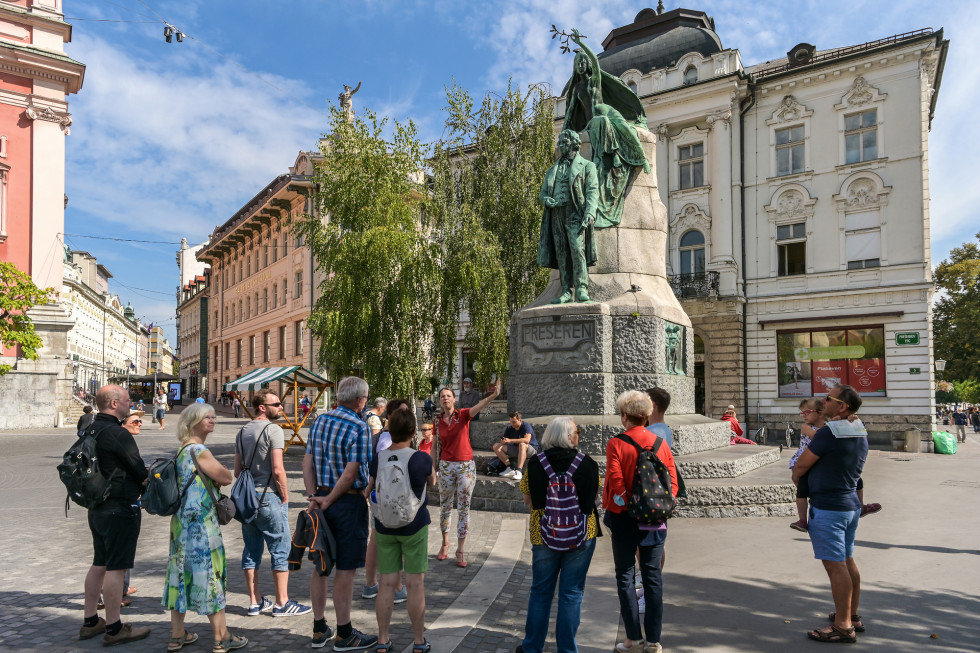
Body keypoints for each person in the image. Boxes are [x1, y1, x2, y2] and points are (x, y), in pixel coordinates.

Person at [164, 403, 247, 653]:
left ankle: (177, 636)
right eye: (206, 417)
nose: (212, 420)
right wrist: (219, 469)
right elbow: (225, 477)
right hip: (201, 523)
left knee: (179, 574)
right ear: (194, 421)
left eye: (213, 417)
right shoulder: (199, 450)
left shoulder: (182, 450)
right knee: (211, 576)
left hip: (181, 524)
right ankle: (222, 637)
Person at [304, 376, 378, 650]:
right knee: (346, 569)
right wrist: (329, 499)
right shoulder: (359, 427)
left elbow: (307, 462)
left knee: (321, 565)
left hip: (321, 497)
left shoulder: (320, 420)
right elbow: (350, 474)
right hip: (346, 503)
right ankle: (344, 633)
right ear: (360, 400)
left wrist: (315, 497)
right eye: (366, 397)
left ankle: (318, 627)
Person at [792, 384, 868, 643]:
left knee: (836, 567)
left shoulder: (828, 433)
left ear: (842, 406)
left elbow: (802, 465)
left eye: (828, 398)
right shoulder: (858, 428)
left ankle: (843, 626)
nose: (823, 401)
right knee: (847, 560)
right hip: (850, 505)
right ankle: (852, 615)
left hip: (829, 508)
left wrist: (798, 477)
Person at [517, 417, 600, 653]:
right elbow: (594, 499)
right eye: (577, 431)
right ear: (568, 436)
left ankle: (532, 647)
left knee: (541, 591)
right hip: (582, 534)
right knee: (572, 593)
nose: (579, 434)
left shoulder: (535, 463)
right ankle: (567, 649)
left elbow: (528, 499)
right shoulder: (588, 464)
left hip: (543, 534)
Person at [604, 391, 678, 653]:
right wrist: (656, 507)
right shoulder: (660, 443)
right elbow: (673, 482)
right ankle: (654, 642)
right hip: (655, 519)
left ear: (624, 417)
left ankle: (633, 640)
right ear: (647, 416)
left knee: (625, 576)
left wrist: (627, 508)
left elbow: (616, 481)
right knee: (652, 577)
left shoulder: (617, 443)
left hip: (625, 520)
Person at [78, 385, 151, 646]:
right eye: (127, 401)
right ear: (113, 403)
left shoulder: (91, 428)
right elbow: (138, 470)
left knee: (99, 562)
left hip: (97, 506)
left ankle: (90, 621)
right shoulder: (117, 433)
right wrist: (150, 481)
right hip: (119, 506)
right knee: (116, 567)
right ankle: (114, 627)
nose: (130, 405)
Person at [235, 389, 311, 618]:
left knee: (251, 549)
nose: (281, 406)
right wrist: (285, 494)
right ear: (262, 407)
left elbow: (238, 471)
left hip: (247, 499)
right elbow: (278, 469)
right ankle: (282, 603)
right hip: (269, 496)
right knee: (280, 549)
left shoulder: (242, 431)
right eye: (276, 404)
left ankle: (254, 602)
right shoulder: (273, 430)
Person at [366, 405, 435, 653]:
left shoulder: (378, 458)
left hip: (384, 526)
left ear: (390, 430)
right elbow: (432, 481)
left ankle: (383, 640)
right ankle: (418, 641)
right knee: (415, 584)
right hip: (415, 526)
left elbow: (369, 490)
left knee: (386, 584)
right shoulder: (421, 458)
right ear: (414, 431)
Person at [434, 380, 501, 568]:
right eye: (442, 396)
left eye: (448, 396)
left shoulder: (462, 415)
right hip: (446, 466)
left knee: (464, 506)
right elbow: (434, 445)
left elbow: (479, 406)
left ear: (454, 399)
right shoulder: (437, 420)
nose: (445, 398)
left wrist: (494, 395)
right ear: (439, 401)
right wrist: (432, 467)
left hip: (465, 466)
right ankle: (445, 543)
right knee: (445, 506)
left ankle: (461, 549)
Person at [538, 128, 599, 304]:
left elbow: (592, 191)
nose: (560, 145)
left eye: (563, 142)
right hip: (556, 213)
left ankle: (581, 288)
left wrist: (589, 212)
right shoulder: (552, 170)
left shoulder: (587, 166)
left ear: (573, 143)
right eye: (560, 142)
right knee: (562, 252)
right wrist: (546, 200)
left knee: (577, 250)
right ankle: (566, 290)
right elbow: (542, 193)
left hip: (575, 213)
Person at [362, 399, 409, 604]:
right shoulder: (388, 439)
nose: (405, 418)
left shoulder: (385, 436)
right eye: (400, 413)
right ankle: (395, 587)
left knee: (376, 538)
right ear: (389, 416)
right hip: (389, 497)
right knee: (392, 541)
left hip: (382, 495)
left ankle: (371, 584)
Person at [789, 398, 825, 532]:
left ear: (820, 412)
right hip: (803, 461)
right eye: (802, 413)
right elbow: (818, 437)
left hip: (817, 461)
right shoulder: (806, 427)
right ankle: (803, 520)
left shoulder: (828, 427)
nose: (804, 415)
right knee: (802, 491)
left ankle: (860, 506)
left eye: (807, 412)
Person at [493, 411, 539, 481]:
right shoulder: (509, 428)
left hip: (530, 450)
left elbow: (527, 440)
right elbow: (505, 441)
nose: (512, 424)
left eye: (514, 422)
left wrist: (510, 440)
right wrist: (503, 441)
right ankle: (509, 468)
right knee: (496, 446)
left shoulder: (526, 426)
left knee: (522, 444)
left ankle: (519, 471)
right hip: (517, 449)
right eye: (511, 421)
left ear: (520, 420)